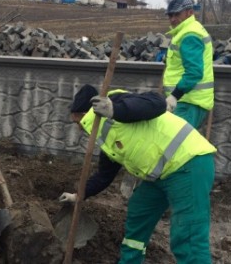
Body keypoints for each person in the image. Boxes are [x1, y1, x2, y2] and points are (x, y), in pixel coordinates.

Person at [59, 84, 216, 264]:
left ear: (85, 114)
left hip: (188, 164)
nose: (78, 128)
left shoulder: (118, 102)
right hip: (161, 175)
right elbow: (104, 176)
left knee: (187, 236)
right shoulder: (106, 136)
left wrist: (114, 110)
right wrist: (78, 195)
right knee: (139, 210)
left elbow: (157, 102)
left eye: (77, 122)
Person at [163, 0, 214, 129]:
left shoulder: (189, 35)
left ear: (189, 12)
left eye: (177, 14)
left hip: (189, 101)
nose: (173, 19)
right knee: (178, 144)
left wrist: (174, 96)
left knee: (176, 145)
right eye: (170, 15)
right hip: (187, 100)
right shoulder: (188, 30)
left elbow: (194, 72)